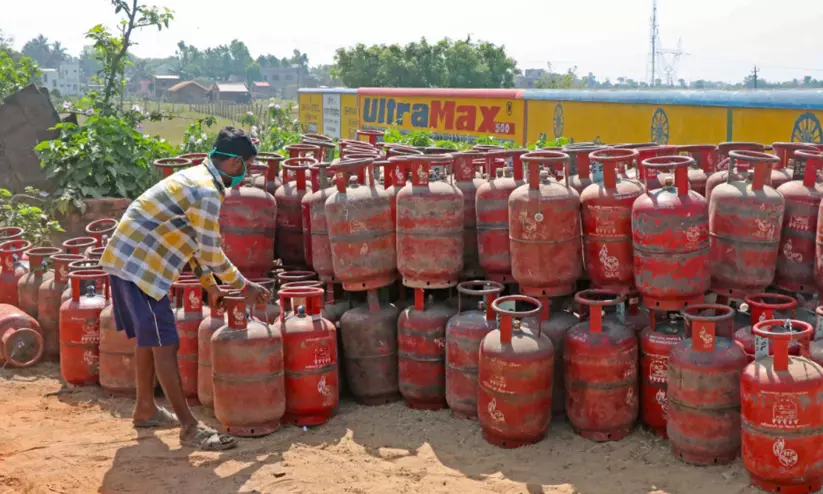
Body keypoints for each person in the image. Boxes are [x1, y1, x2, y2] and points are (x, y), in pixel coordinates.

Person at [100, 126, 271, 451]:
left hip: (131, 259)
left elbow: (192, 242)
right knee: (165, 342)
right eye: (246, 167)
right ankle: (189, 427)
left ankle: (145, 409)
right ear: (235, 163)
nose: (245, 175)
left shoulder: (196, 178)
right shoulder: (206, 192)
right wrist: (244, 285)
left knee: (151, 338)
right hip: (139, 266)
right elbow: (211, 253)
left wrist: (211, 285)